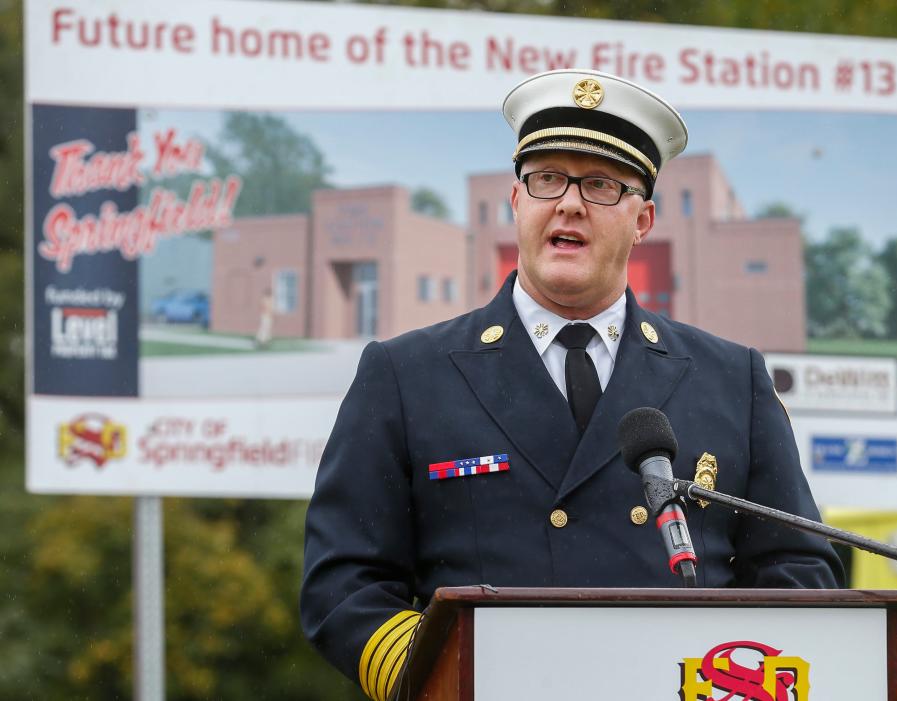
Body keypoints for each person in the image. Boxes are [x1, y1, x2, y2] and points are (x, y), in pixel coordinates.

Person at [300, 69, 843, 701]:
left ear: (644, 220)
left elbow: (801, 569)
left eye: (602, 185)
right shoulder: (404, 375)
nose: (569, 203)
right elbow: (343, 584)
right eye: (547, 179)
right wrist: (448, 677)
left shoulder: (732, 379)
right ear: (516, 203)